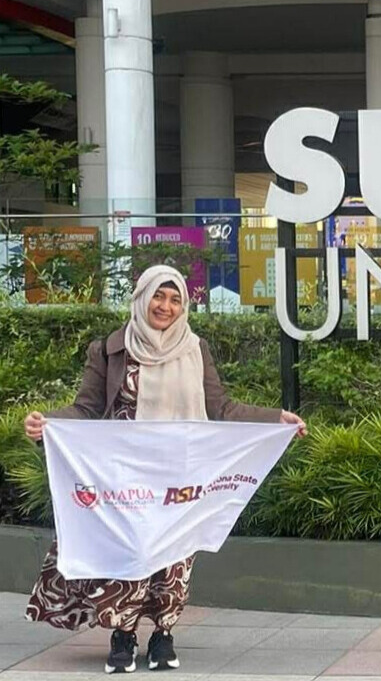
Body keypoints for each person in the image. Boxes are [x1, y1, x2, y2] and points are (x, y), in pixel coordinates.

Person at [21, 265, 306, 674]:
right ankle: (122, 635)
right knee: (131, 552)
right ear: (141, 298)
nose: (165, 306)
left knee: (174, 558)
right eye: (158, 296)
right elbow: (86, 408)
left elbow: (221, 409)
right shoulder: (111, 349)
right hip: (124, 477)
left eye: (175, 299)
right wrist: (46, 423)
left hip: (181, 475)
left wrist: (273, 419)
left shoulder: (195, 349)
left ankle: (163, 635)